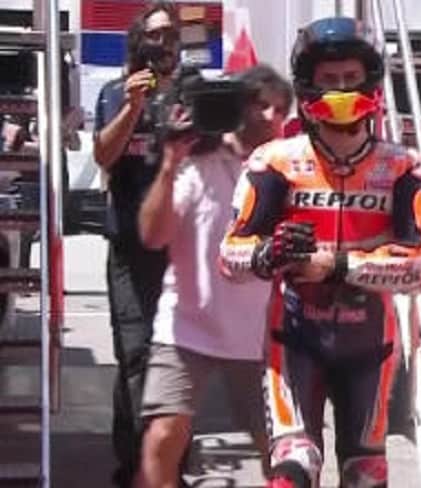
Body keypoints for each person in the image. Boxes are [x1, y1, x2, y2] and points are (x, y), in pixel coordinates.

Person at [220, 16, 421, 488]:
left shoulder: (406, 167)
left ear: (370, 82)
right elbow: (229, 256)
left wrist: (336, 265)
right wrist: (267, 255)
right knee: (293, 467)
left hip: (371, 345)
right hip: (293, 338)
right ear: (308, 86)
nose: (341, 90)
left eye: (350, 78)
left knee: (367, 473)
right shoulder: (273, 161)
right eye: (329, 79)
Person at [133, 64, 293, 488]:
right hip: (186, 327)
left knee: (283, 453)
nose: (272, 117)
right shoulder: (196, 162)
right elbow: (152, 236)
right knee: (161, 439)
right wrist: (169, 163)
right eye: (262, 105)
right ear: (240, 106)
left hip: (260, 334)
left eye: (281, 110)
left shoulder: (288, 169)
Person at [91, 3, 180, 486]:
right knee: (135, 352)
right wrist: (133, 107)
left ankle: (169, 463)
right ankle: (135, 464)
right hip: (128, 246)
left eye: (170, 35)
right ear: (139, 42)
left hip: (179, 250)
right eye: (155, 35)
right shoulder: (116, 92)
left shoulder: (190, 96)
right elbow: (104, 155)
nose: (163, 43)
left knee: (177, 356)